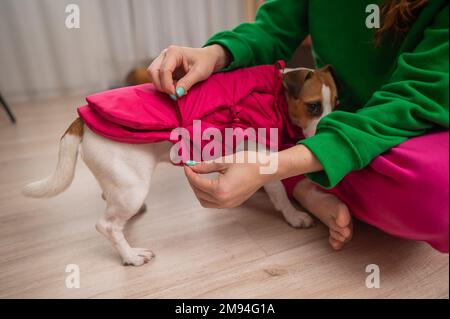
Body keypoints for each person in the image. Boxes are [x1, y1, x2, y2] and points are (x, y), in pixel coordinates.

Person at [147, 0, 449, 252]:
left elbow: (417, 96)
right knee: (256, 120)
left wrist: (273, 167)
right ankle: (309, 172)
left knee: (440, 196)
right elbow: (272, 29)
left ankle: (301, 180)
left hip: (411, 126)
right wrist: (214, 54)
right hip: (329, 134)